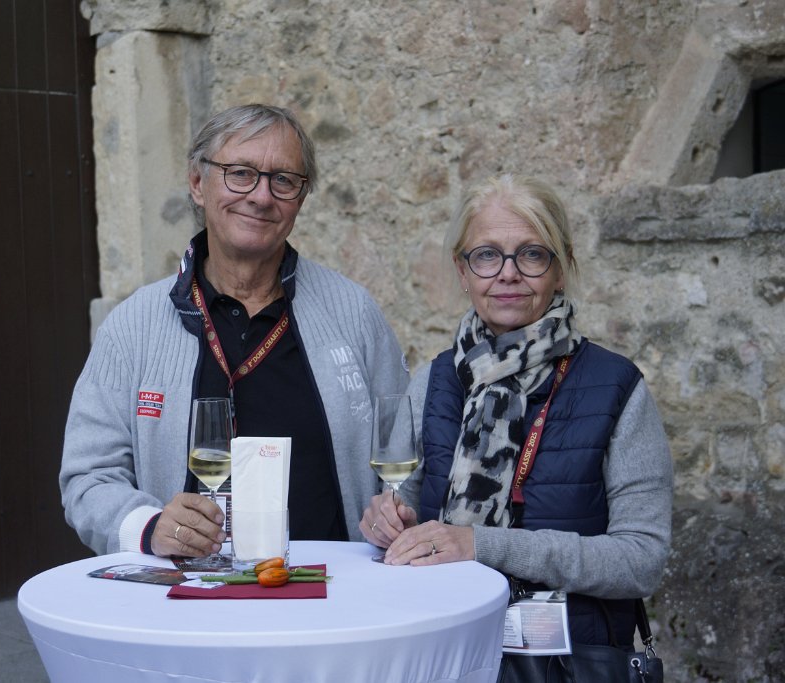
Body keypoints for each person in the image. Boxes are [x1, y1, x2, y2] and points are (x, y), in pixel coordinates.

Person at [61, 103, 408, 560]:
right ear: (197, 183)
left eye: (283, 180)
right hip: (186, 589)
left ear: (301, 198)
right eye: (240, 173)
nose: (261, 196)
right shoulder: (133, 326)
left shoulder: (354, 315)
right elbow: (88, 478)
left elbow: (403, 455)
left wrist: (395, 510)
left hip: (332, 587)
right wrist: (149, 526)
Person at [360, 174, 673, 680]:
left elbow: (641, 560)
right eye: (487, 255)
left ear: (561, 268)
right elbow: (403, 507)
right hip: (444, 653)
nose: (507, 274)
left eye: (531, 254)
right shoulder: (433, 381)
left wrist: (481, 544)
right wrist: (388, 519)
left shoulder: (616, 387)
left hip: (566, 666)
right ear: (463, 270)